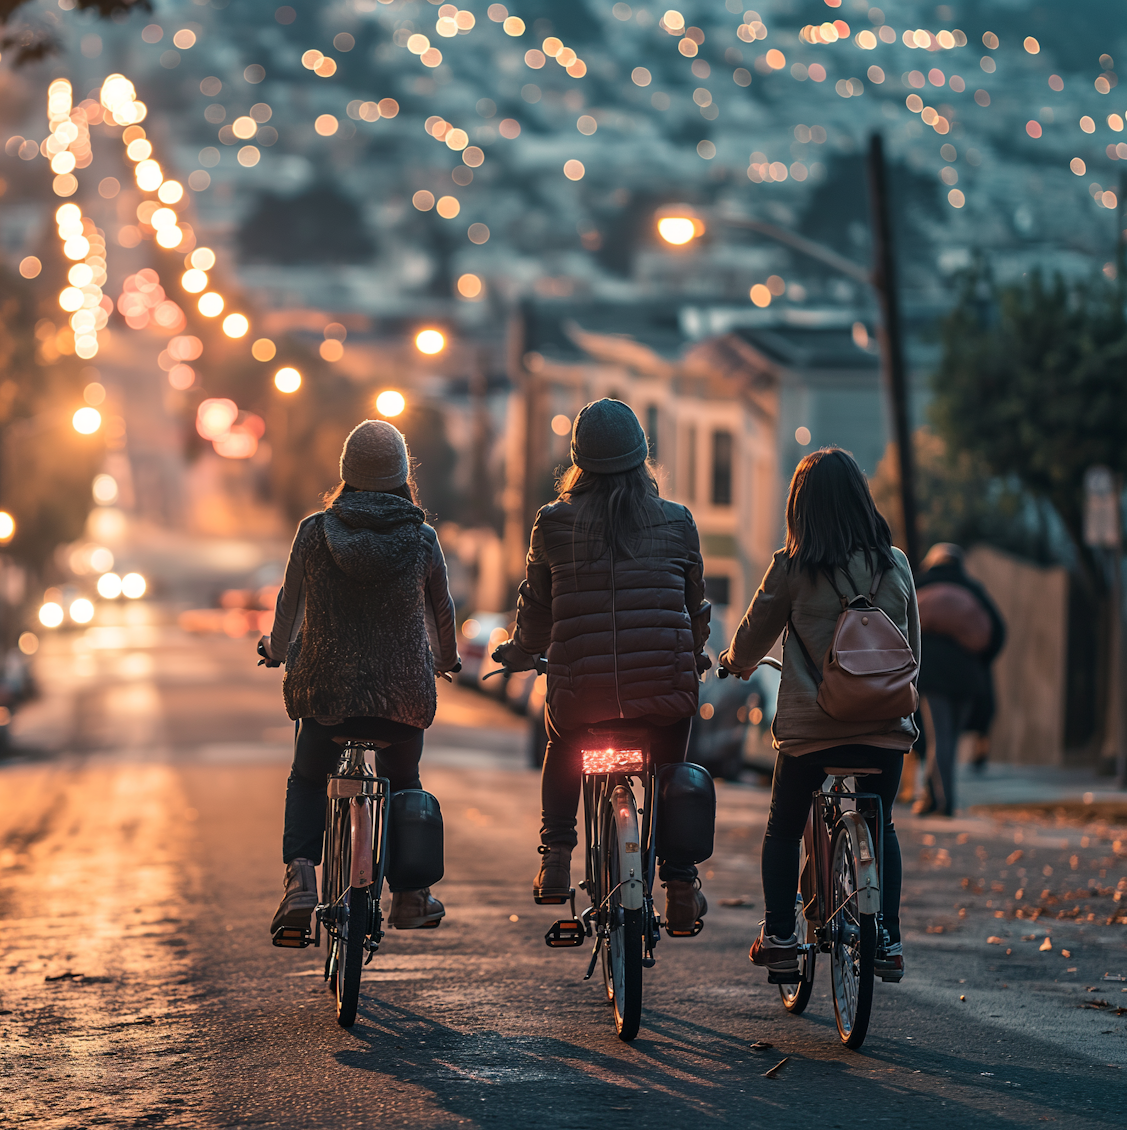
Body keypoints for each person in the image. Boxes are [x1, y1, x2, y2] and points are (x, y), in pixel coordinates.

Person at [490, 398, 714, 934]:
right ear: (642, 460)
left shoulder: (553, 524)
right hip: (664, 696)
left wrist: (520, 654)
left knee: (560, 740)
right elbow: (695, 606)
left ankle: (555, 858)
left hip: (583, 701)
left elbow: (537, 610)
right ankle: (680, 884)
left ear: (579, 464)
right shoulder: (678, 521)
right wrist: (694, 651)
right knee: (671, 772)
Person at [721, 447, 918, 983]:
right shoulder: (894, 564)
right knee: (882, 824)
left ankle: (781, 937)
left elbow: (752, 636)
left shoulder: (792, 568)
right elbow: (912, 651)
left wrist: (734, 664)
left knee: (784, 828)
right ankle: (890, 942)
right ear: (861, 499)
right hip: (885, 732)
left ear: (799, 507)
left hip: (812, 735)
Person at [259, 420, 460, 942]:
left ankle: (302, 883)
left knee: (308, 778)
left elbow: (290, 606)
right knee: (403, 782)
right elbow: (442, 611)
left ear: (346, 472)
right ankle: (411, 895)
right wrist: (447, 659)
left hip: (327, 698)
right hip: (400, 699)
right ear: (401, 477)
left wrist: (276, 651)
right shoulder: (421, 539)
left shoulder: (314, 531)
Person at [912, 543, 1005, 816]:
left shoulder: (920, 583)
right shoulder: (973, 589)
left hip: (932, 676)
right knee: (947, 738)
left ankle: (946, 801)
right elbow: (998, 632)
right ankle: (933, 797)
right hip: (968, 680)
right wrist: (982, 660)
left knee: (938, 737)